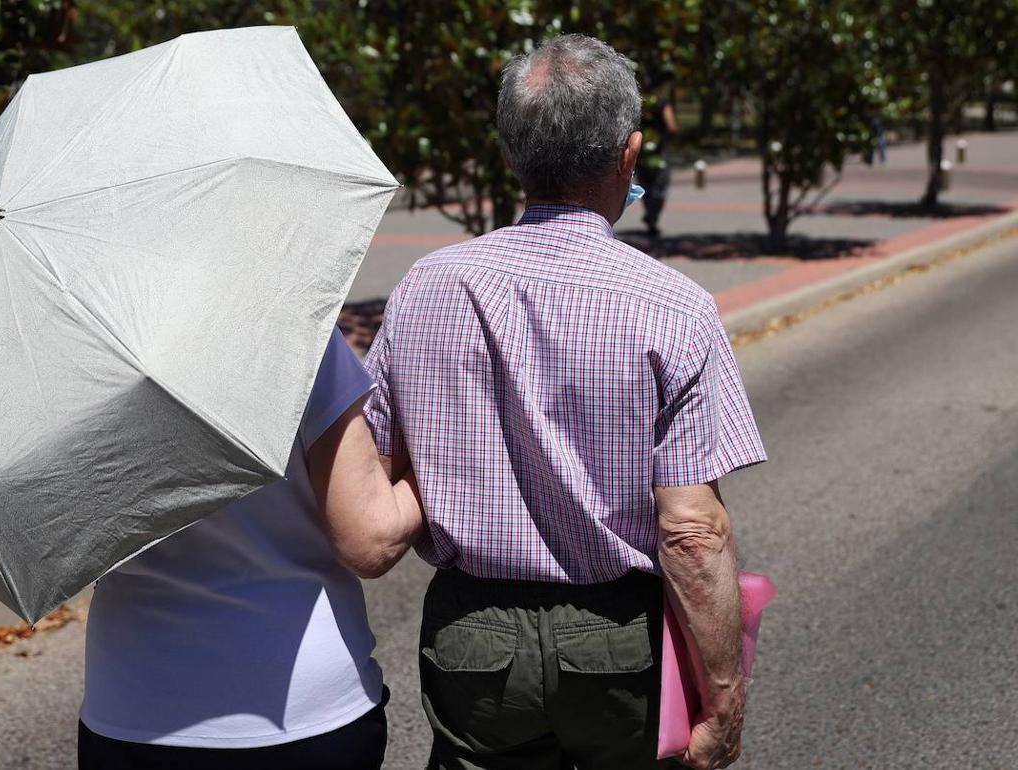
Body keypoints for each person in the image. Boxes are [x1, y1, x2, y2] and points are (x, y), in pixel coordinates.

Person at [363, 34, 766, 770]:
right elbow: (690, 533)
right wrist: (724, 696)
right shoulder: (673, 307)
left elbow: (379, 470)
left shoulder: (426, 287)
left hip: (471, 639)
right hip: (615, 640)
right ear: (630, 153)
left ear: (512, 155)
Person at [78, 328, 425, 769]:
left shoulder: (82, 350)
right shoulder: (297, 333)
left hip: (131, 703)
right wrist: (425, 477)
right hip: (300, 705)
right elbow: (370, 542)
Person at [635, 79, 680, 238]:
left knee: (645, 186)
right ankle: (653, 215)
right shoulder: (662, 103)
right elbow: (671, 126)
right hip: (658, 152)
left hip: (640, 151)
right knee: (660, 186)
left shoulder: (638, 101)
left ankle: (650, 215)